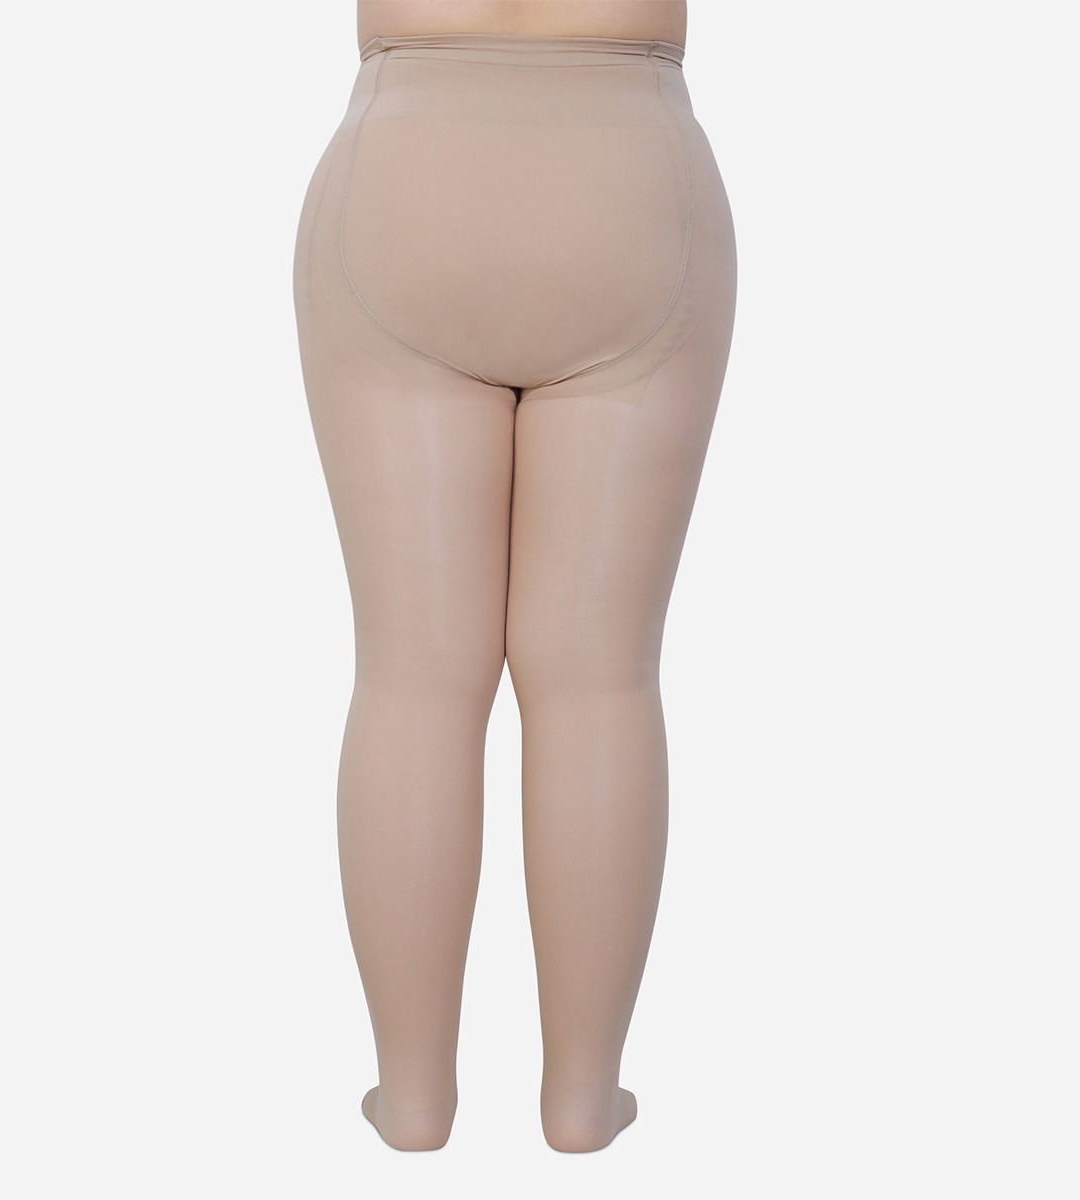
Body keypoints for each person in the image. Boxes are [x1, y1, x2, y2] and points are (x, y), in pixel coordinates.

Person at [292, 0, 736, 1153]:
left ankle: (412, 1100)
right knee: (600, 678)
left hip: (406, 166)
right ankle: (584, 1101)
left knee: (412, 674)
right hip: (631, 174)